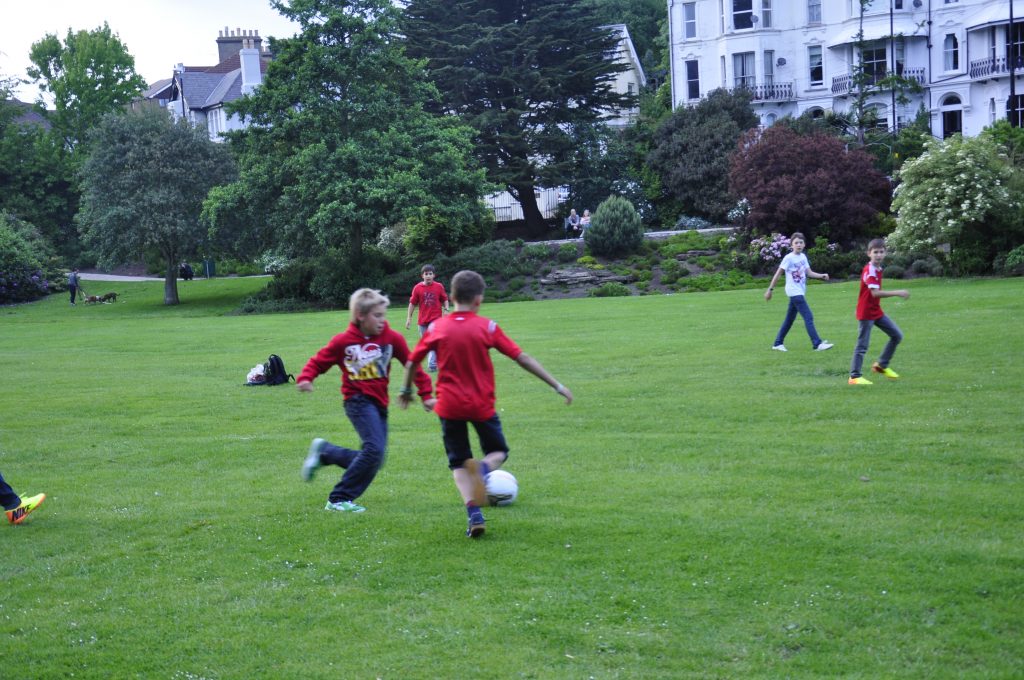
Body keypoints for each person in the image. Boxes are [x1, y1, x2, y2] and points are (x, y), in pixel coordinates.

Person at [398, 270, 573, 538]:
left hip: (449, 407)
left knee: (458, 464)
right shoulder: (487, 327)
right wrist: (557, 385)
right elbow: (522, 358)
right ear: (479, 300)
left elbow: (412, 361)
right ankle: (481, 469)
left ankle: (474, 514)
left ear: (452, 296)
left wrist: (407, 390)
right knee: (498, 452)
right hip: (481, 405)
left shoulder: (436, 328)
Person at [298, 288, 434, 513]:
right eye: (377, 316)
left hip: (379, 404)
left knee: (375, 458)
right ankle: (338, 498)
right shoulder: (344, 341)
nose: (382, 321)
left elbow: (412, 365)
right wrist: (306, 377)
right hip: (356, 401)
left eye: (384, 315)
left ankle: (326, 452)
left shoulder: (392, 339)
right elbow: (319, 361)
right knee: (374, 451)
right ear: (361, 316)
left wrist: (426, 394)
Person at [849, 238, 910, 385]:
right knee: (862, 345)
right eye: (875, 252)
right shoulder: (870, 271)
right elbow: (875, 293)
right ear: (868, 254)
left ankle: (881, 365)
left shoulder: (878, 269)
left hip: (875, 311)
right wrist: (897, 292)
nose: (878, 255)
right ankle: (854, 377)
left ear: (885, 253)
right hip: (866, 313)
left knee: (896, 335)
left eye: (881, 252)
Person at [764, 232, 834, 352]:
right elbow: (778, 274)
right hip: (794, 292)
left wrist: (822, 276)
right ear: (791, 245)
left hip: (799, 291)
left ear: (804, 244)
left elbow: (809, 273)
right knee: (808, 317)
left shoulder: (803, 257)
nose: (799, 245)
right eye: (796, 243)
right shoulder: (788, 258)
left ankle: (777, 343)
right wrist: (770, 289)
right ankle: (817, 343)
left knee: (789, 319)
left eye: (801, 242)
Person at [405, 264, 449, 372]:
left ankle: (432, 365)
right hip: (422, 321)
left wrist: (446, 310)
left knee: (433, 342)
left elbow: (445, 299)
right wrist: (409, 318)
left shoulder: (439, 286)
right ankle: (438, 361)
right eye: (426, 274)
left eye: (430, 274)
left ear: (434, 275)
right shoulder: (417, 288)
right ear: (422, 276)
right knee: (427, 344)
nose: (428, 276)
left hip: (436, 320)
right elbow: (412, 304)